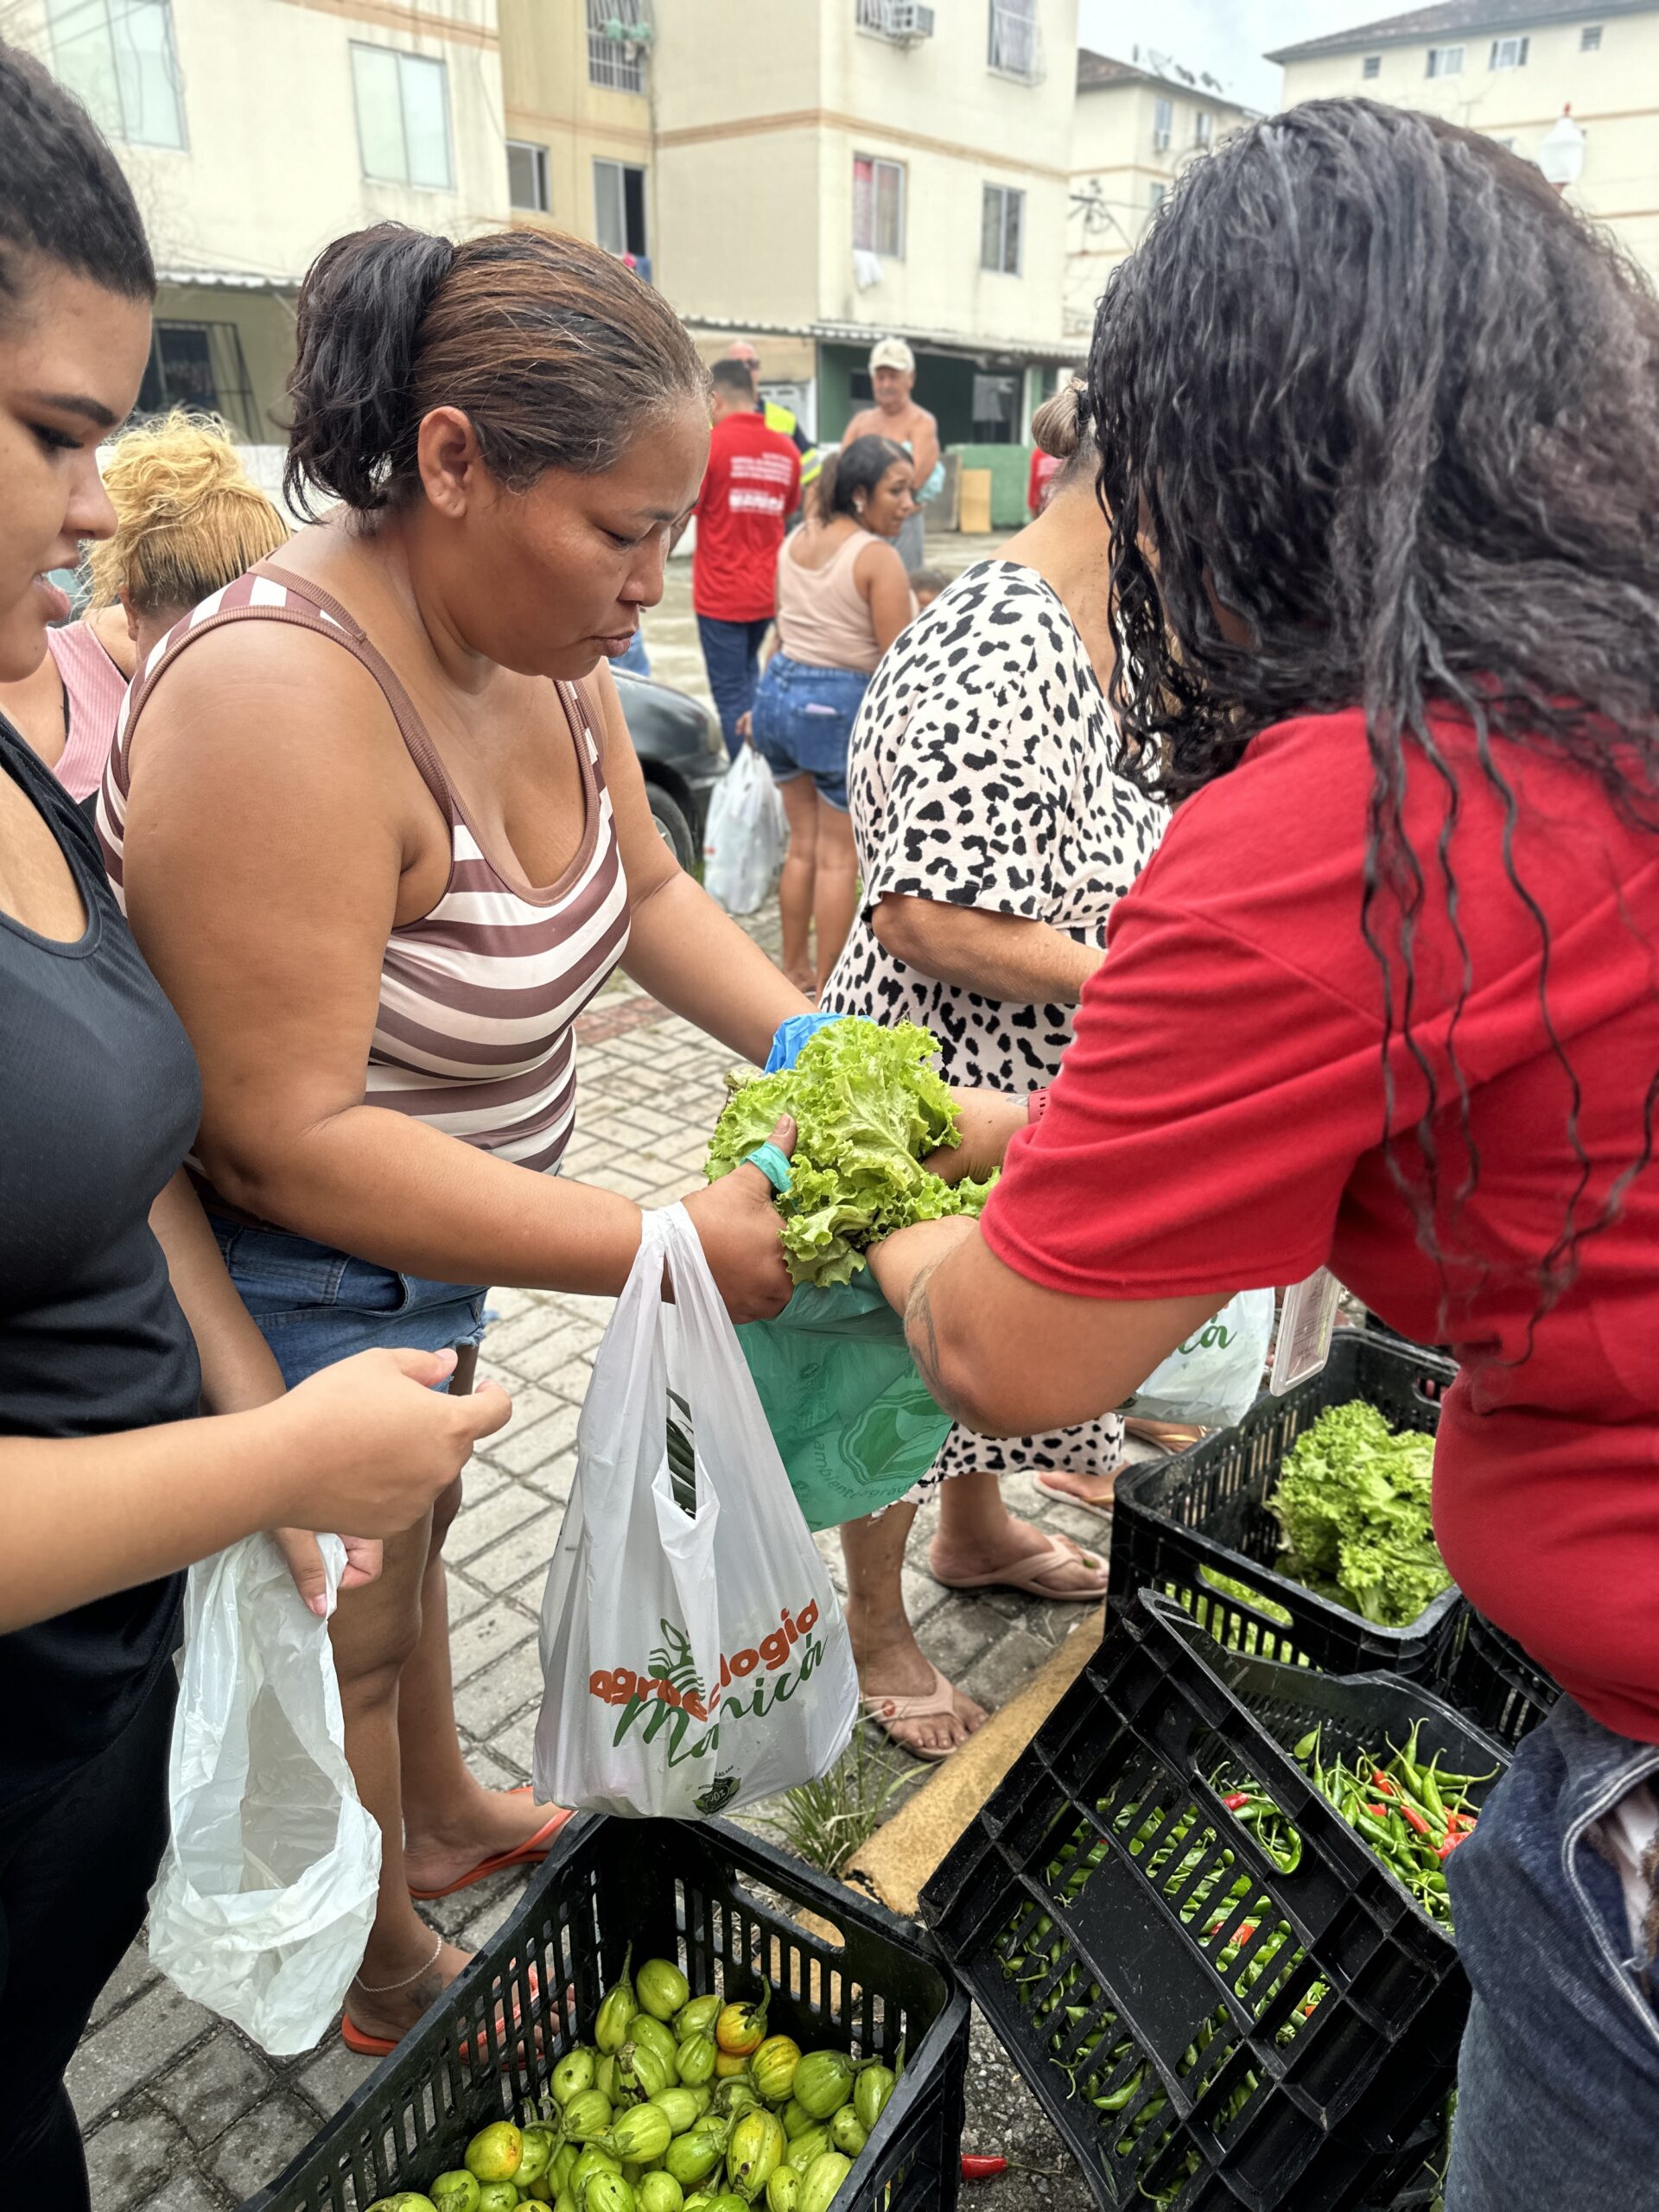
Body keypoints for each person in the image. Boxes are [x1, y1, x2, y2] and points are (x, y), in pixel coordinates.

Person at [867, 102, 1659, 2212]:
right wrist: (1018, 1129)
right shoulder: (1608, 720)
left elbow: (1015, 1357)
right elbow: (1392, 1111)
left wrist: (888, 1213)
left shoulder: (1372, 812)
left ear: (1227, 463)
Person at [103, 218, 807, 2055]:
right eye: (622, 530)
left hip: (457, 1237)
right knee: (344, 1612)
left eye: (672, 532)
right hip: (300, 1270)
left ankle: (439, 1805)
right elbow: (277, 1136)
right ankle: (381, 1970)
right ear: (452, 461)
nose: (650, 590)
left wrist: (821, 1046)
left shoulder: (542, 642)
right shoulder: (283, 693)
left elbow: (651, 895)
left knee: (417, 1567)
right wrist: (661, 1235)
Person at [0, 45, 508, 2203]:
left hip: (73, 1733)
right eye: (50, 431)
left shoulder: (19, 767)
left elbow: (138, 1175)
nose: (98, 506)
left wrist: (239, 1417)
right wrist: (280, 1455)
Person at [817, 383, 1166, 1757]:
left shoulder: (1106, 630)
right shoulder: (995, 635)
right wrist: (1135, 989)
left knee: (980, 1381)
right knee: (904, 1368)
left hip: (1029, 1085)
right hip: (944, 1080)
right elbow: (924, 909)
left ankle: (974, 1535)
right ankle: (874, 1629)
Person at [0, 410, 287, 799]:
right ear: (132, 609)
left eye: (252, 649)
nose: (223, 683)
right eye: (186, 654)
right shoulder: (34, 675)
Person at [747, 436, 913, 997]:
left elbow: (781, 630)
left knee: (803, 847)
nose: (910, 503)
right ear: (860, 494)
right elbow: (897, 666)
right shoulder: (876, 557)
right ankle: (831, 985)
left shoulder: (796, 539)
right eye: (898, 490)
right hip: (837, 709)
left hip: (779, 694)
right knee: (839, 859)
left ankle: (793, 970)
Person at [693, 359, 801, 753]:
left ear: (715, 398)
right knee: (751, 680)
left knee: (730, 693)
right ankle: (766, 768)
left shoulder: (711, 447)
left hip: (721, 596)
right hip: (769, 594)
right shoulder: (786, 450)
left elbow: (686, 513)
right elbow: (790, 508)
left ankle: (749, 777)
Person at [842, 339, 938, 574]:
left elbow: (914, 480)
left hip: (904, 526)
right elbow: (841, 473)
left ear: (910, 379)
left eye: (894, 376)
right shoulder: (860, 422)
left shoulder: (921, 423)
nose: (886, 384)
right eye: (880, 376)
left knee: (904, 588)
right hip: (861, 527)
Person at [723, 339, 810, 453]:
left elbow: (811, 466)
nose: (746, 370)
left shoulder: (784, 419)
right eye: (738, 365)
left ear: (758, 369)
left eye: (752, 364)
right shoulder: (709, 421)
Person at [1027, 441, 1064, 518]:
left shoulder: (1038, 454)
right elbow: (1033, 494)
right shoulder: (1038, 454)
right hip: (1048, 515)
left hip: (1050, 515)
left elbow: (1033, 496)